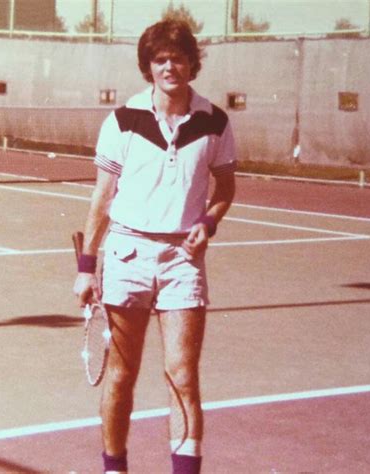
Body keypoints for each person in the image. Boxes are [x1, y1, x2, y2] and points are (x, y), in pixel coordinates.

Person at [73, 19, 236, 474]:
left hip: (184, 260)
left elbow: (225, 188)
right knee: (122, 377)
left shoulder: (215, 121)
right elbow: (102, 198)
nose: (170, 67)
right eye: (161, 59)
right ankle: (114, 468)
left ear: (191, 63)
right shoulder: (124, 119)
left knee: (182, 375)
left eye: (178, 58)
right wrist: (87, 266)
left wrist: (209, 220)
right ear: (149, 66)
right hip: (128, 255)